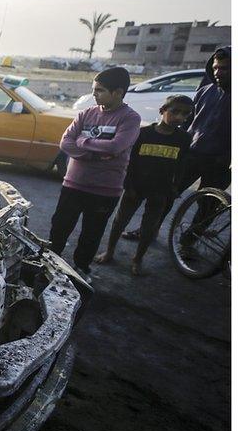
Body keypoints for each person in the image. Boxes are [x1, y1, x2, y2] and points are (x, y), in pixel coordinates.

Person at [122, 46, 231, 240]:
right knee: (167, 195)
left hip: (220, 161)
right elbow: (189, 122)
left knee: (207, 205)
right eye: (216, 68)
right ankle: (149, 230)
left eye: (224, 68)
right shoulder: (206, 91)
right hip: (192, 153)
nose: (218, 73)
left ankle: (188, 243)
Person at [49, 67, 141, 279]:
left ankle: (81, 268)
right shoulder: (86, 113)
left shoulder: (129, 118)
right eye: (94, 89)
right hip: (73, 184)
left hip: (105, 190)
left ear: (118, 92)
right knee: (59, 227)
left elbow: (116, 147)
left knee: (91, 234)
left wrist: (83, 141)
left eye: (99, 90)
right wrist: (92, 153)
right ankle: (49, 263)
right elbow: (66, 142)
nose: (94, 94)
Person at [95, 95, 193, 276]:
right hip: (136, 187)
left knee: (149, 227)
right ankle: (109, 252)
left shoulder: (184, 139)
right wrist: (128, 185)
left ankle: (137, 259)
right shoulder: (143, 133)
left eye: (185, 114)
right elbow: (130, 161)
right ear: (162, 110)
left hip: (161, 190)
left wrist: (175, 188)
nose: (179, 117)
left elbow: (181, 165)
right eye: (175, 111)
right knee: (120, 221)